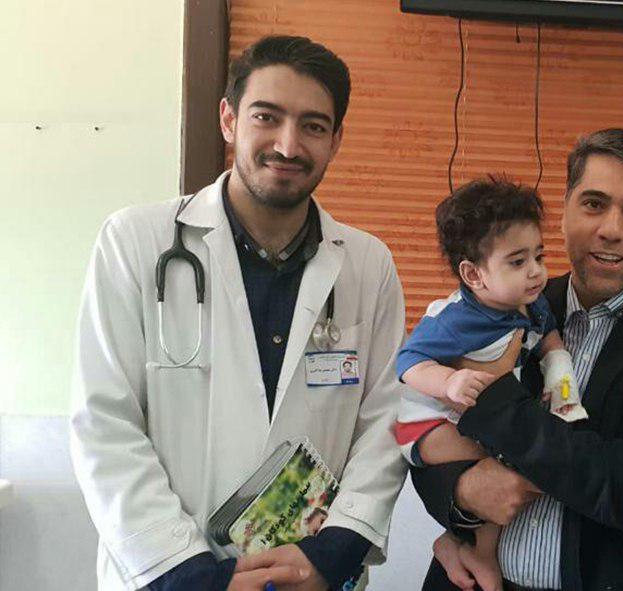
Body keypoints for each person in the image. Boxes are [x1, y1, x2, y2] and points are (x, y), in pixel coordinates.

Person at [69, 35, 407, 590]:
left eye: (313, 125)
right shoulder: (134, 241)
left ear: (336, 140)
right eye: (266, 117)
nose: (288, 145)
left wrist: (333, 553)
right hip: (172, 576)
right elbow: (104, 423)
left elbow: (385, 420)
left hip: (309, 575)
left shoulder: (368, 265)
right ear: (229, 119)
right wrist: (190, 574)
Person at [411, 128, 623, 590]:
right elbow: (426, 429)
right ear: (563, 212)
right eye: (594, 203)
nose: (611, 229)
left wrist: (496, 399)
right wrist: (461, 492)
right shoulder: (504, 304)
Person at [395, 177, 586, 591]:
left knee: (511, 459)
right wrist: (449, 380)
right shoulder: (453, 320)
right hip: (426, 423)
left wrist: (559, 367)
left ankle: (457, 543)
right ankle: (479, 554)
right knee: (505, 463)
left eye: (539, 255)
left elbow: (549, 336)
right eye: (517, 262)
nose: (536, 272)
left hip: (471, 417)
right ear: (473, 274)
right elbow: (407, 362)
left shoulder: (529, 302)